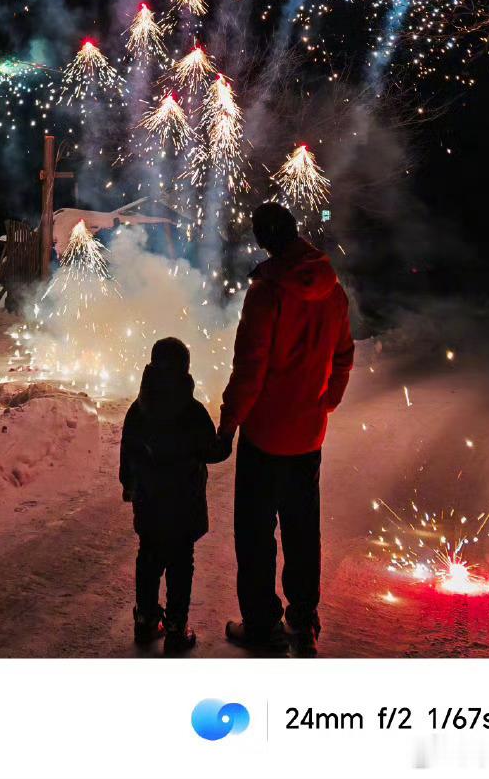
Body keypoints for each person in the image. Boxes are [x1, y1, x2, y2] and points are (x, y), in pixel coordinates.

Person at [217, 201, 354, 657]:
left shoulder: (267, 291)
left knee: (256, 533)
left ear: (265, 238)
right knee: (302, 528)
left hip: (264, 435)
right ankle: (303, 620)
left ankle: (262, 626)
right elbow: (344, 355)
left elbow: (250, 367)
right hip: (308, 435)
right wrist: (324, 403)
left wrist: (229, 421)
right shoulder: (333, 289)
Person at [120, 335, 230, 655]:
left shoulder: (138, 410)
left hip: (149, 505)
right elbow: (212, 451)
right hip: (184, 507)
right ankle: (176, 629)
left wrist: (129, 484)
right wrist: (226, 436)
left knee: (149, 557)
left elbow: (127, 453)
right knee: (181, 563)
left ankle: (145, 620)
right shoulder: (192, 412)